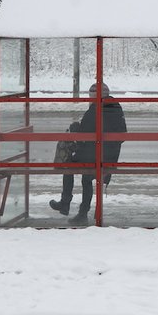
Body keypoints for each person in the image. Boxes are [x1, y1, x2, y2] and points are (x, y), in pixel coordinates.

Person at [50, 82, 127, 225]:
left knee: (69, 166)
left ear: (95, 96)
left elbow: (83, 134)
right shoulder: (116, 107)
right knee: (86, 177)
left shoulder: (95, 109)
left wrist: (75, 127)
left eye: (90, 96)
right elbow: (121, 133)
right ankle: (79, 210)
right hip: (109, 155)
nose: (90, 99)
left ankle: (68, 204)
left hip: (96, 155)